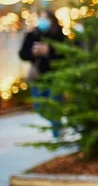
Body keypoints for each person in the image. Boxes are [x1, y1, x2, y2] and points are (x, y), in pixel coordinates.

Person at [19, 10, 65, 138]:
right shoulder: (32, 35)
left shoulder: (59, 35)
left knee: (55, 105)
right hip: (38, 77)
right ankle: (57, 124)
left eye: (46, 18)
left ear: (52, 20)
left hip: (55, 77)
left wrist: (49, 51)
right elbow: (22, 54)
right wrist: (33, 52)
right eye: (41, 18)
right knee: (40, 107)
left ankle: (57, 134)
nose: (43, 21)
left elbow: (65, 54)